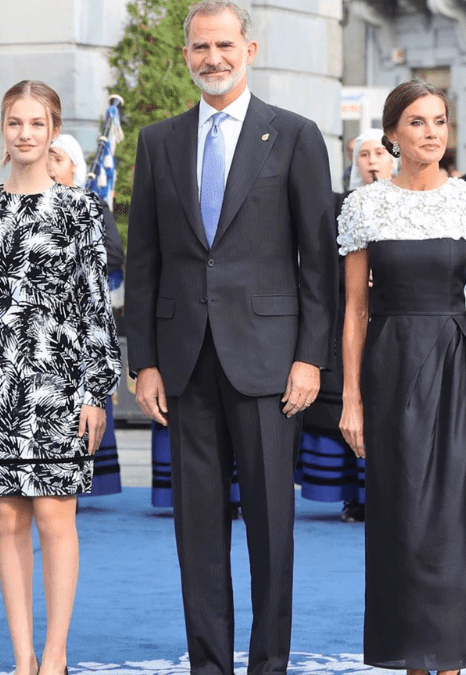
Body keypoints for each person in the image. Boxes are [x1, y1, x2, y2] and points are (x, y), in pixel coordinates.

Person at [124, 1, 337, 672]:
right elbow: (144, 260)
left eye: (224, 45)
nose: (212, 58)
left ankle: (268, 664)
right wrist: (144, 363)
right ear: (185, 55)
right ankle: (208, 664)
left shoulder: (295, 135)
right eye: (199, 47)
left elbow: (318, 261)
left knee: (272, 530)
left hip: (271, 365)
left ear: (250, 48)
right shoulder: (158, 142)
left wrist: (310, 357)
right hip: (185, 364)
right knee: (198, 532)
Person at [0, 80, 121, 675]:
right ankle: (23, 659)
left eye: (36, 124)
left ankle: (56, 656)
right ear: (4, 131)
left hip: (59, 381)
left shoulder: (79, 209)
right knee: (6, 516)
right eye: (15, 123)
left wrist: (98, 388)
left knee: (53, 513)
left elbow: (94, 304)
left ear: (53, 129)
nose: (24, 134)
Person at [338, 81, 466, 675]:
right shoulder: (365, 206)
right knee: (400, 521)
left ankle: (450, 663)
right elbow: (355, 312)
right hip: (387, 372)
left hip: (456, 370)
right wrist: (351, 398)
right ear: (392, 134)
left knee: (451, 521)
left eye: (440, 121)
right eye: (417, 122)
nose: (432, 132)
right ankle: (412, 661)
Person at [297, 128, 396, 522]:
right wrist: (354, 276)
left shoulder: (410, 201)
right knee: (346, 402)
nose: (372, 160)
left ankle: (389, 493)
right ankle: (352, 494)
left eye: (379, 153)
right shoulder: (340, 206)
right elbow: (322, 263)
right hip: (349, 318)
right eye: (364, 154)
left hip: (393, 320)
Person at [48, 133, 127, 497]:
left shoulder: (93, 205)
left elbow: (113, 251)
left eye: (58, 158)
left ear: (75, 168)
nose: (50, 164)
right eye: (47, 157)